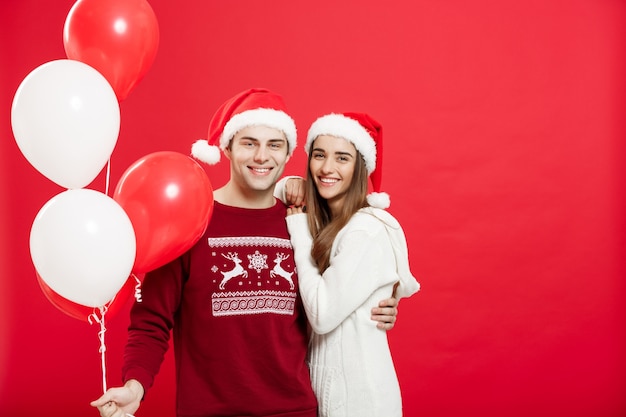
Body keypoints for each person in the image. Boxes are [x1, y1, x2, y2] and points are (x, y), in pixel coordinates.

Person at [90, 89, 400, 417]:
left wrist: (375, 305)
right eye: (249, 143)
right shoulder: (190, 220)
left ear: (288, 152)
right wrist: (134, 386)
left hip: (295, 410)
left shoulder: (304, 222)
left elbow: (331, 298)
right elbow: (151, 321)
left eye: (274, 145)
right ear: (227, 147)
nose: (261, 157)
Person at [280, 112, 420, 416]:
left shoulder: (365, 230)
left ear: (360, 167)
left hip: (361, 400)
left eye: (342, 158)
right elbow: (275, 193)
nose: (327, 168)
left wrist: (300, 231)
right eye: (319, 155)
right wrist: (290, 184)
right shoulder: (329, 221)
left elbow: (321, 313)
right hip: (326, 392)